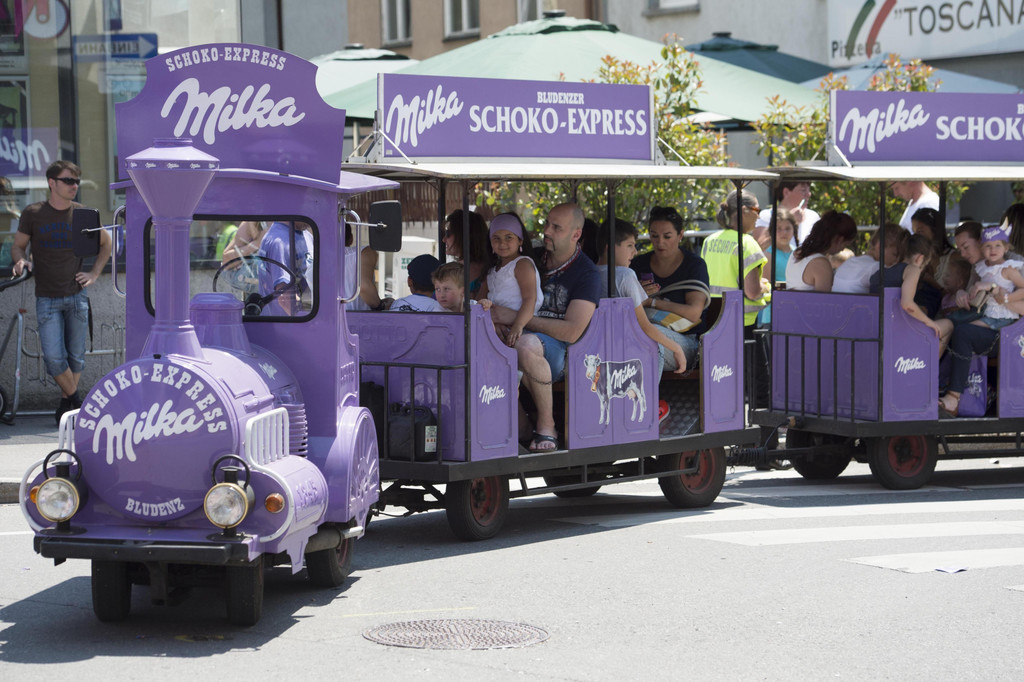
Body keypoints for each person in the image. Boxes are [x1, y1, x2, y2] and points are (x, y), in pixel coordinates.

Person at [489, 203, 600, 452]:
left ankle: (547, 425)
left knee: (525, 345)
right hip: (517, 336)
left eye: (556, 227)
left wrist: (516, 318)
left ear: (576, 234)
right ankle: (518, 427)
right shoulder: (532, 257)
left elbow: (572, 331)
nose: (547, 231)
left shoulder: (587, 273)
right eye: (546, 224)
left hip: (561, 352)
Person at [12, 160, 112, 424]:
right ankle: (78, 402)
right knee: (54, 358)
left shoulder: (84, 214)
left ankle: (67, 406)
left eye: (76, 181)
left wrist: (94, 274)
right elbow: (18, 246)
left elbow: (106, 243)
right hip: (46, 297)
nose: (74, 186)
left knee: (75, 356)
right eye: (68, 181)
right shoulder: (33, 213)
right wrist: (21, 260)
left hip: (77, 295)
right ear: (52, 183)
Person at [939, 221, 1024, 418]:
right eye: (959, 248)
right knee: (952, 326)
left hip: (1010, 333)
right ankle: (934, 384)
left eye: (965, 247)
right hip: (990, 322)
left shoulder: (1012, 265)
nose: (962, 253)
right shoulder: (980, 267)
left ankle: (953, 397)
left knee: (962, 332)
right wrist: (963, 292)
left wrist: (998, 293)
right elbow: (975, 298)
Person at [597, 217, 688, 391]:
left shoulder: (591, 273)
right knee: (659, 344)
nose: (635, 252)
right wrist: (676, 348)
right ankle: (649, 404)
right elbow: (644, 326)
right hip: (626, 346)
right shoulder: (624, 275)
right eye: (630, 245)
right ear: (610, 248)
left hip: (605, 345)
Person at [701, 190, 770, 408]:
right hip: (745, 325)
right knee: (757, 382)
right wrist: (766, 289)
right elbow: (752, 291)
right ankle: (760, 437)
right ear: (744, 211)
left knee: (722, 378)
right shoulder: (748, 243)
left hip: (714, 322)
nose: (758, 216)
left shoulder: (709, 241)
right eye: (757, 210)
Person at [631, 205, 707, 371]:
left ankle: (648, 396)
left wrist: (650, 302)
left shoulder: (694, 265)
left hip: (686, 340)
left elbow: (694, 313)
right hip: (644, 330)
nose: (660, 242)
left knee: (650, 336)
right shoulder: (638, 264)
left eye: (667, 236)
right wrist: (637, 293)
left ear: (680, 235)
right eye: (654, 236)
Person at [478, 212, 542, 347]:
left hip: (521, 329)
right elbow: (480, 300)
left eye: (509, 237)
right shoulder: (491, 270)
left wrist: (518, 326)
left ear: (520, 240)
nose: (502, 243)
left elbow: (530, 298)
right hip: (496, 327)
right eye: (496, 238)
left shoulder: (522, 264)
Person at [784, 211, 857, 292]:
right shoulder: (821, 263)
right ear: (840, 240)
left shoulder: (797, 252)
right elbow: (824, 302)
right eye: (845, 244)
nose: (843, 249)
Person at [832, 224, 907, 294]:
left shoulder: (848, 262)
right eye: (895, 254)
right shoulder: (877, 268)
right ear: (880, 246)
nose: (896, 261)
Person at [257, 221, 311, 316]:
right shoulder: (279, 242)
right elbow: (285, 299)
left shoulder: (307, 235)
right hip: (285, 326)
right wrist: (309, 326)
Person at [755, 181, 821, 246]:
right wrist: (789, 220)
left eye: (808, 190)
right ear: (786, 192)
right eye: (803, 190)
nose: (808, 194)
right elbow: (760, 247)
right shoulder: (767, 215)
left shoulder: (813, 216)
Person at [443, 209, 491, 297]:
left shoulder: (489, 272)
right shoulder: (449, 269)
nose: (444, 239)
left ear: (464, 236)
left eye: (448, 233)